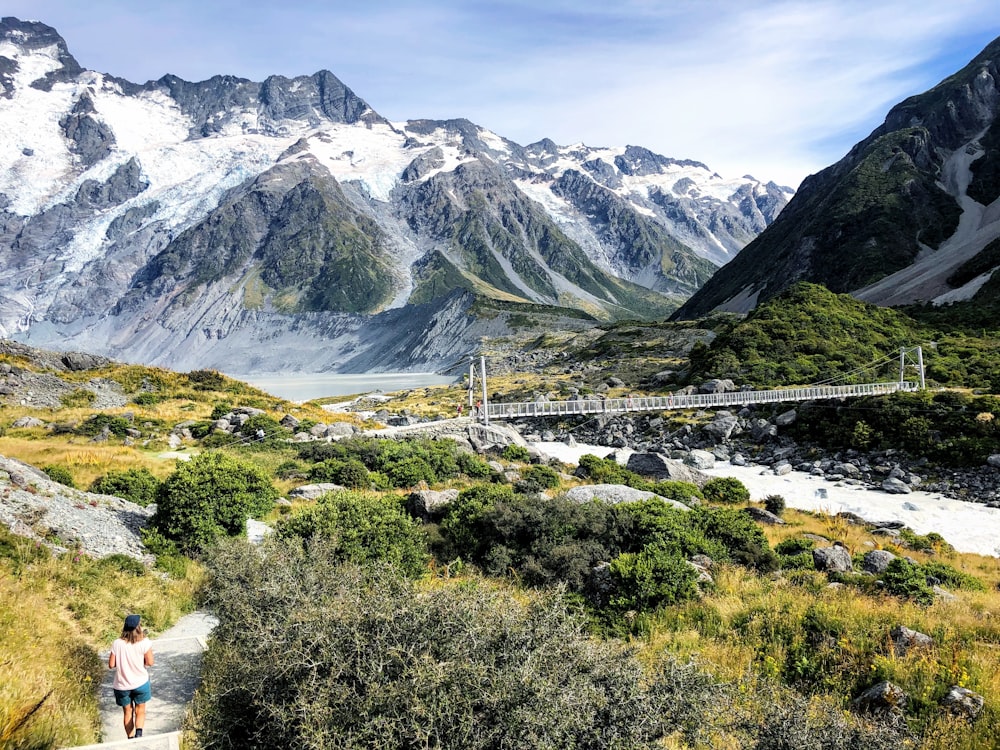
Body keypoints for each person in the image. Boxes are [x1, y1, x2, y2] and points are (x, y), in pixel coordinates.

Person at [108, 614, 154, 739]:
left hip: (122, 685)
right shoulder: (145, 642)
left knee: (127, 712)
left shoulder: (117, 643)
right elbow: (150, 662)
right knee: (140, 709)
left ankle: (130, 738)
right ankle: (139, 735)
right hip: (140, 682)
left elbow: (111, 664)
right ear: (138, 627)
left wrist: (123, 662)